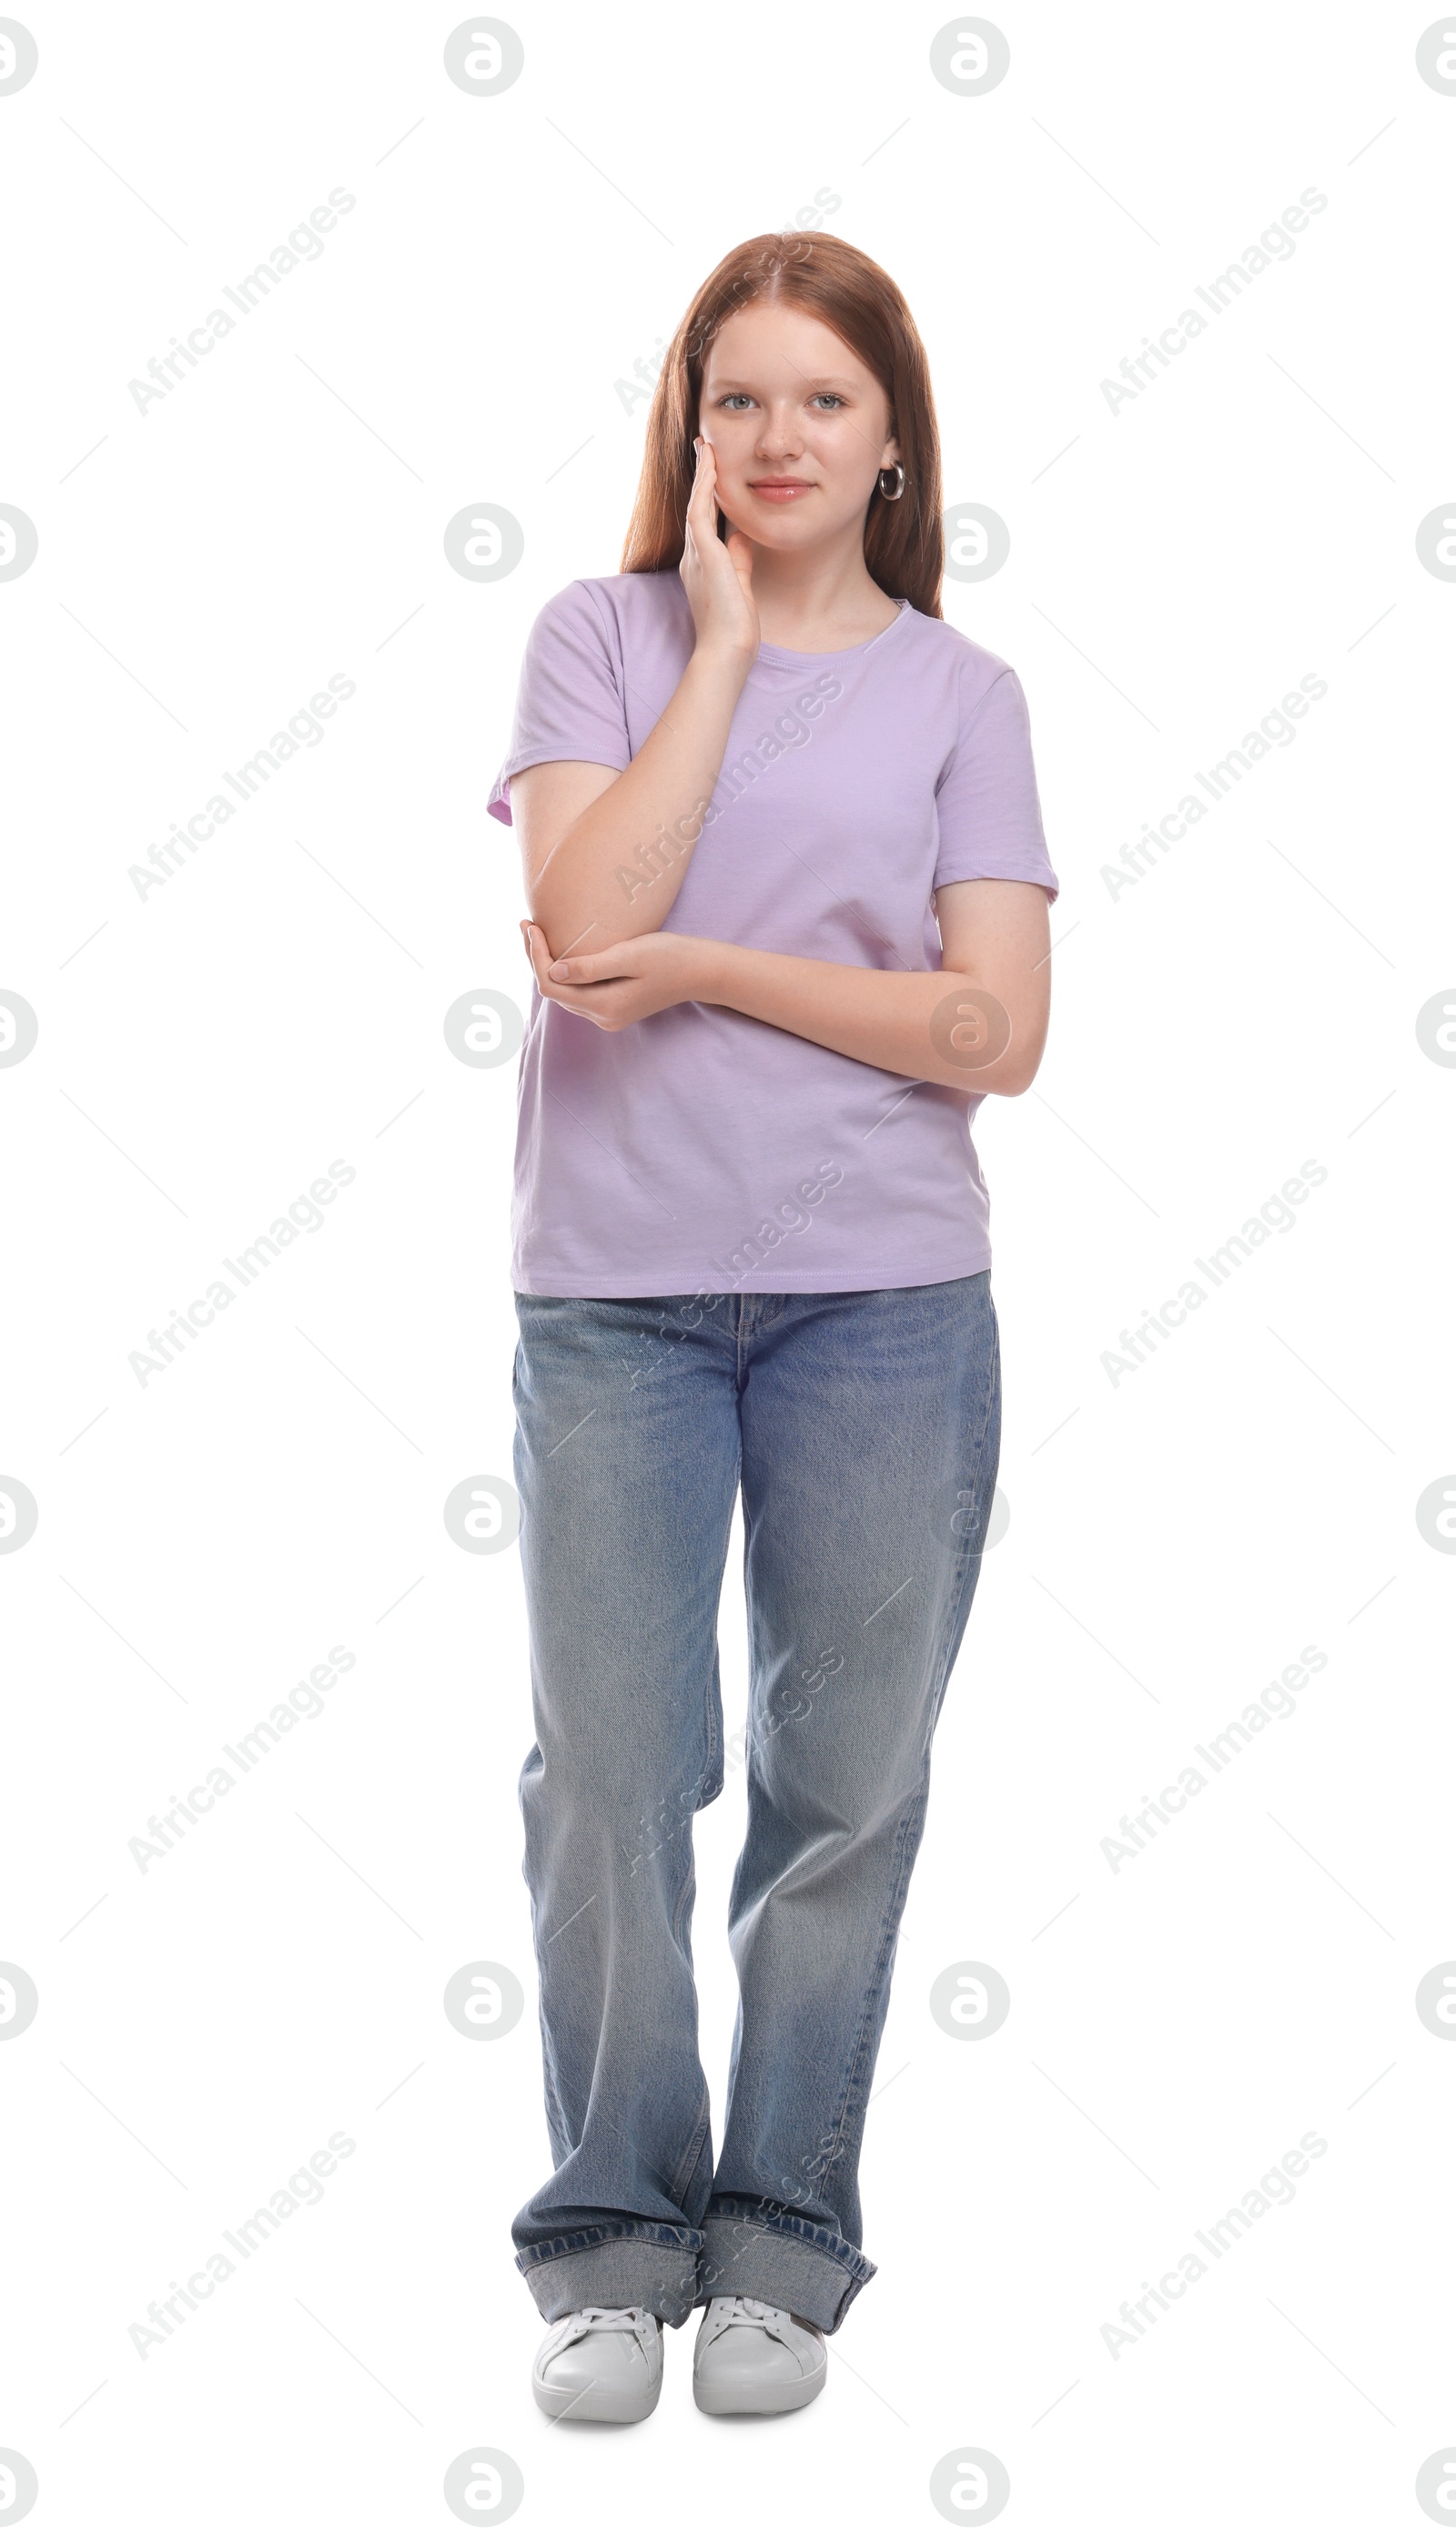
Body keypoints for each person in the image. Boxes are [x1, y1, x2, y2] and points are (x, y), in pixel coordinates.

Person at [488, 229, 1058, 2424]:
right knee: (613, 1778)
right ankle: (615, 2238)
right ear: (686, 425)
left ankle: (778, 2246)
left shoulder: (959, 695)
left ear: (891, 436)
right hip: (615, 1303)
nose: (776, 436)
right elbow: (574, 923)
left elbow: (991, 1033)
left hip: (884, 1307)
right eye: (735, 397)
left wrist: (721, 975)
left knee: (842, 1788)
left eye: (819, 398)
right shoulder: (597, 640)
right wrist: (715, 656)